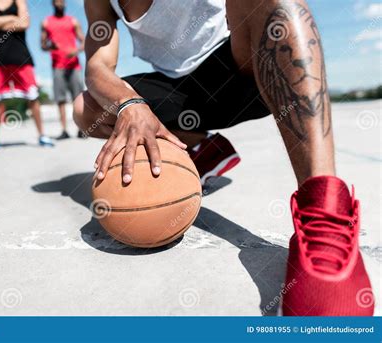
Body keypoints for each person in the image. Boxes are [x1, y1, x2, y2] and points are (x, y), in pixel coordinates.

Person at [73, 0, 374, 316]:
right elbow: (97, 67)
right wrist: (129, 104)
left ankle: (322, 215)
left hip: (246, 67)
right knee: (86, 109)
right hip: (181, 91)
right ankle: (199, 150)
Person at [0, 0, 54, 155]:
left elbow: (24, 23)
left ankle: (42, 135)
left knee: (33, 97)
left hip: (21, 55)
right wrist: (12, 20)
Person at [41, 0, 87, 139]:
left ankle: (81, 129)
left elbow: (84, 41)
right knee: (60, 99)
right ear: (53, 4)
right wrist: (50, 45)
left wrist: (77, 50)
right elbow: (42, 45)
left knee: (78, 97)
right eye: (57, 2)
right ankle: (64, 130)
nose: (60, 4)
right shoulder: (46, 22)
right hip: (57, 66)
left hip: (74, 66)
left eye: (62, 2)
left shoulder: (73, 21)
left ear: (65, 4)